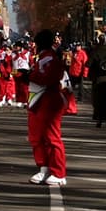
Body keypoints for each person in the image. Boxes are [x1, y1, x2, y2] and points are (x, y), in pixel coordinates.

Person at [26, 30, 69, 186]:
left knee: (51, 136)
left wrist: (30, 76)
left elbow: (50, 78)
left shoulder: (49, 58)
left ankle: (58, 172)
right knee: (37, 136)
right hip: (38, 100)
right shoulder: (44, 58)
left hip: (48, 100)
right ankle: (44, 168)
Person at [87, 37, 106, 128]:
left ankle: (99, 119)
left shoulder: (95, 51)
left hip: (98, 78)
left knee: (98, 99)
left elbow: (88, 64)